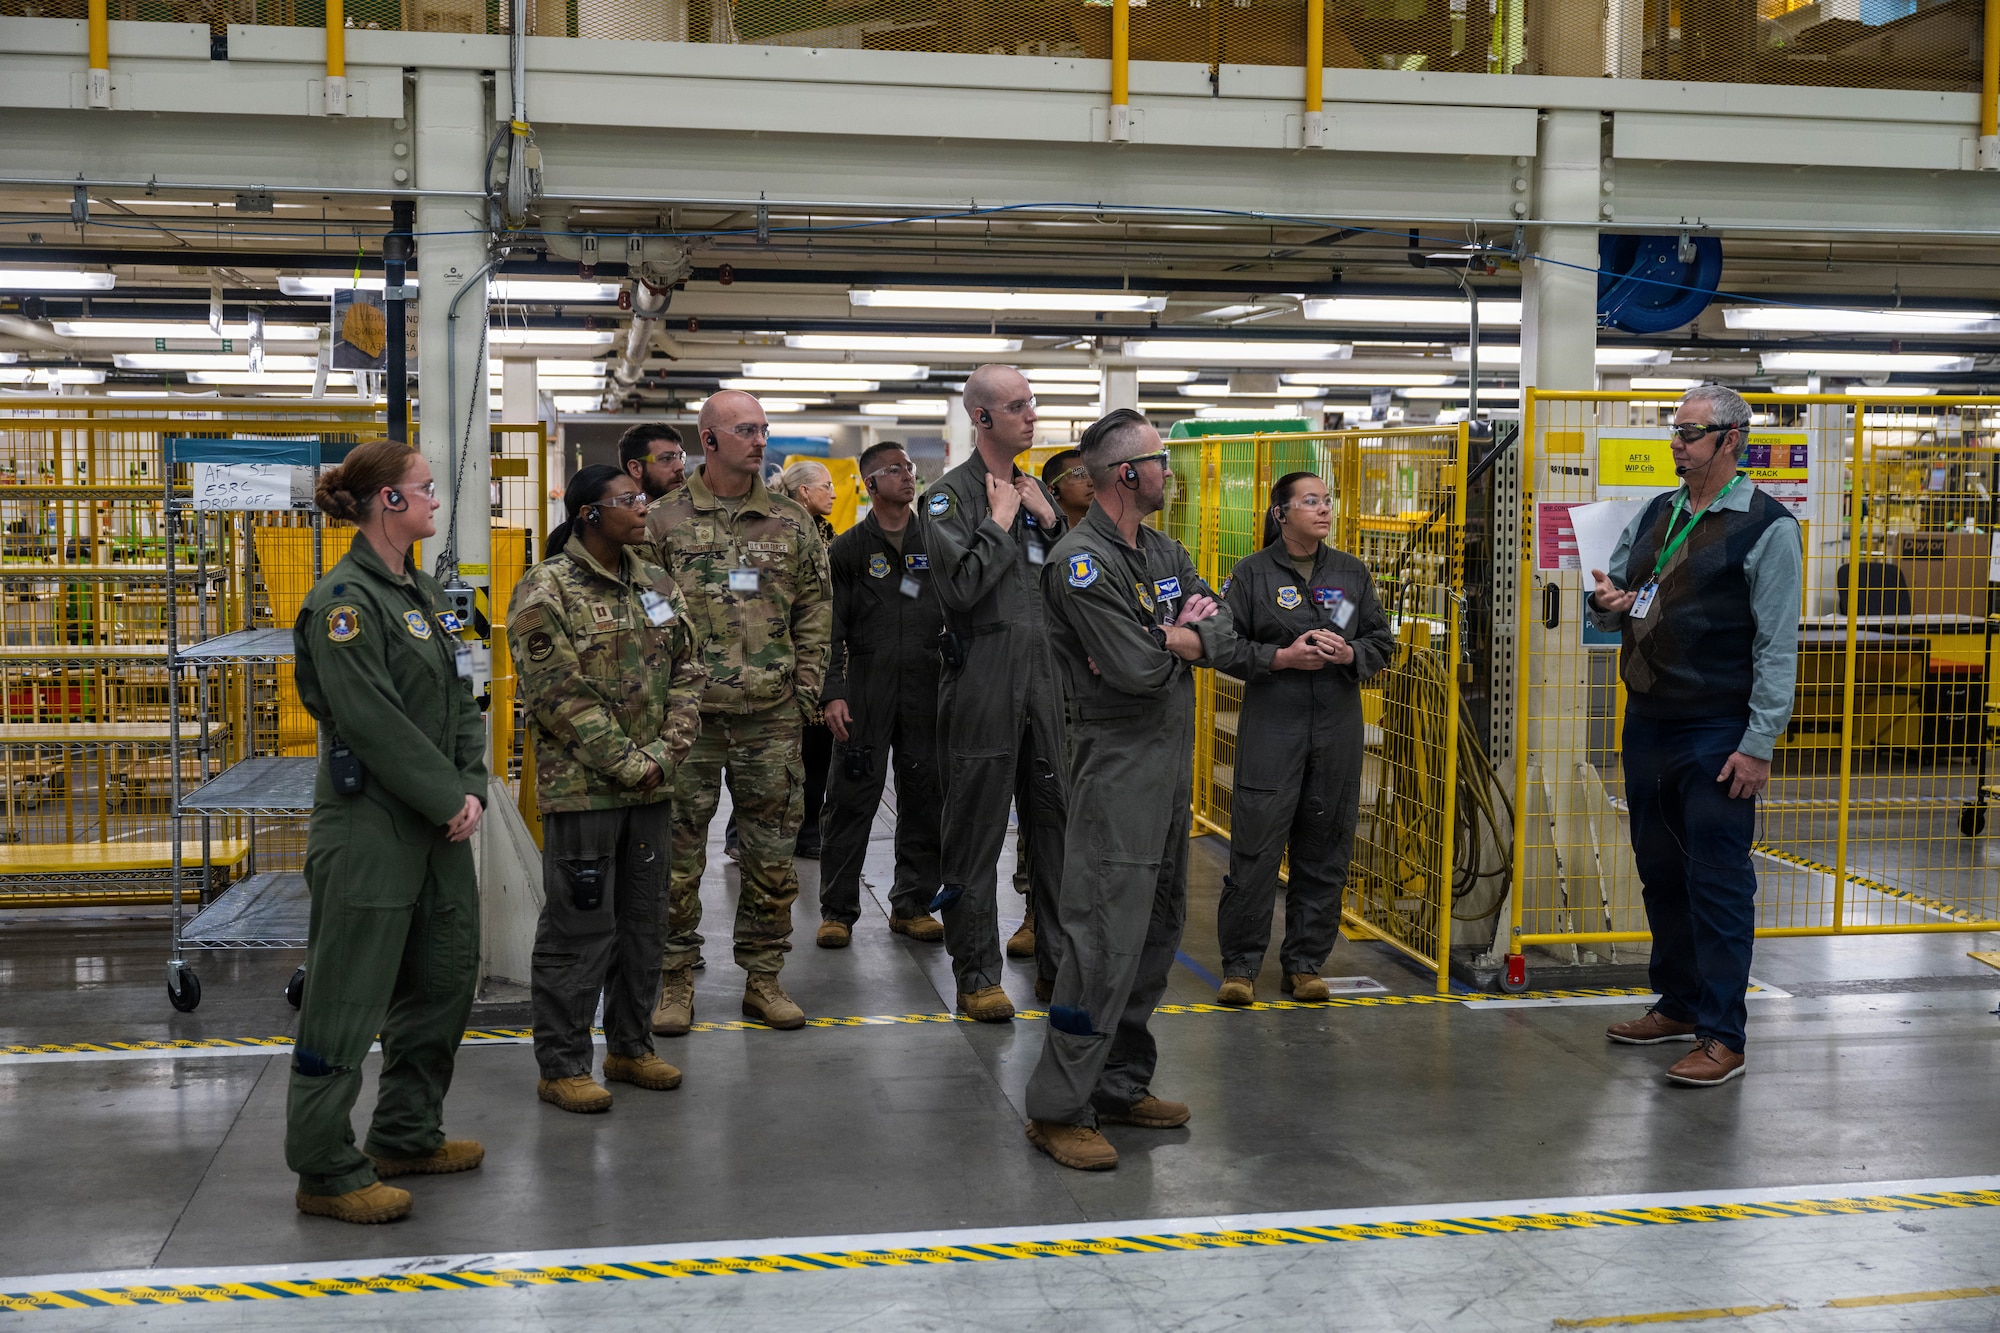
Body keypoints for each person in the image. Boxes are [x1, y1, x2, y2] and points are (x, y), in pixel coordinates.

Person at [1023, 409, 1238, 1172]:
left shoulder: (1163, 550)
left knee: (1156, 930)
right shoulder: (1081, 564)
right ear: (1126, 474)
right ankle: (1058, 1107)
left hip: (1166, 771)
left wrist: (1181, 634)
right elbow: (1137, 669)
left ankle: (1118, 1081)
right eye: (1160, 458)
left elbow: (1228, 625)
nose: (1168, 470)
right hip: (1116, 774)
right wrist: (1178, 639)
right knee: (1100, 942)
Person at [286, 440, 488, 1224]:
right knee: (347, 996)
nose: (436, 500)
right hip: (372, 822)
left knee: (441, 981)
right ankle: (326, 1167)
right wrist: (446, 795)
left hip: (441, 823)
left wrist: (469, 786)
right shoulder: (345, 602)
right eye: (424, 489)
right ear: (387, 503)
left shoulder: (428, 594)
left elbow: (464, 691)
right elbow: (370, 718)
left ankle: (405, 1131)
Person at [1588, 384, 1802, 1088]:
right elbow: (1616, 590)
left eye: (1689, 432)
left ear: (1731, 440)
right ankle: (1677, 1002)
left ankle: (1722, 1033)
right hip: (1648, 720)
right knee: (1659, 870)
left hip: (1719, 729)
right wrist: (1605, 602)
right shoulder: (1660, 511)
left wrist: (1759, 741)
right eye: (1674, 431)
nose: (1676, 444)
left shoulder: (1768, 527)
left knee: (1717, 881)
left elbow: (1777, 647)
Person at [510, 465, 703, 1115]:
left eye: (640, 497)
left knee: (646, 924)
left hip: (651, 787)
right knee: (579, 928)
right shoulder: (547, 588)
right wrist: (629, 761)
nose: (642, 507)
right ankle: (562, 1063)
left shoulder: (654, 579)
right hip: (586, 791)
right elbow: (557, 694)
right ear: (590, 513)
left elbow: (689, 666)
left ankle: (630, 1044)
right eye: (627, 500)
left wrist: (666, 752)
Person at [645, 390, 831, 1035]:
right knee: (675, 854)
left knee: (772, 851)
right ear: (710, 439)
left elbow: (814, 607)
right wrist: (672, 688)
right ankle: (673, 981)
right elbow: (648, 607)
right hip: (687, 721)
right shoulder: (662, 519)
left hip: (771, 716)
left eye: (764, 429)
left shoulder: (790, 520)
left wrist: (806, 689)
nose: (760, 440)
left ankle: (763, 978)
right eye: (746, 430)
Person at [1211, 471, 1395, 1006]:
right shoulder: (1252, 574)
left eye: (1327, 500)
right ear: (1281, 513)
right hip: (1274, 723)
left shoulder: (1349, 573)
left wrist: (1352, 655)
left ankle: (1306, 965)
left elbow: (1380, 640)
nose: (1323, 509)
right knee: (1257, 848)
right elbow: (1223, 644)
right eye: (1310, 501)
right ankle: (1241, 967)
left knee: (1326, 848)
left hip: (1336, 725)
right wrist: (1280, 657)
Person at [922, 363, 1069, 1021]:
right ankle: (977, 974)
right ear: (981, 419)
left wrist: (1053, 527)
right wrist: (1000, 522)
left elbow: (1071, 593)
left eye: (1031, 404)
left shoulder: (1038, 495)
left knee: (1058, 836)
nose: (1030, 416)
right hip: (982, 683)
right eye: (1016, 406)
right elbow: (958, 591)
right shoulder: (948, 499)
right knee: (974, 838)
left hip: (1047, 686)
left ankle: (1059, 969)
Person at [816, 442, 945, 947]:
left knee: (925, 798)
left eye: (909, 467)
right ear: (870, 484)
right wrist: (833, 692)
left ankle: (912, 905)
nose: (908, 476)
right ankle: (837, 910)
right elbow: (830, 627)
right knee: (850, 798)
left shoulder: (935, 542)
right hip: (865, 689)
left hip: (927, 686)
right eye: (895, 470)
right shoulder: (847, 551)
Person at [778, 459, 839, 859]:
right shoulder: (780, 533)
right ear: (803, 492)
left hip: (823, 659)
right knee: (779, 760)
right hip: (784, 661)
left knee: (818, 754)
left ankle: (809, 831)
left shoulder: (831, 537)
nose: (834, 492)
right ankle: (743, 833)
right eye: (826, 485)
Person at [619, 422, 687, 499]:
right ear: (636, 468)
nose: (680, 467)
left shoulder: (693, 508)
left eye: (680, 457)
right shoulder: (616, 510)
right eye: (666, 458)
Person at [1042, 447, 1094, 529]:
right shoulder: (1049, 538)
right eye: (1079, 475)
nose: (1092, 482)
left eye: (1093, 474)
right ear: (1052, 490)